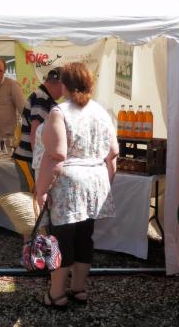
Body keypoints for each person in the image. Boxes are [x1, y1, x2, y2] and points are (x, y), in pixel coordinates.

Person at [34, 62, 119, 310]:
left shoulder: (60, 112)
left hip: (68, 184)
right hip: (96, 180)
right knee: (85, 237)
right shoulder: (101, 112)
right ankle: (79, 289)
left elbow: (57, 155)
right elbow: (113, 153)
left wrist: (41, 190)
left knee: (62, 239)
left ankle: (57, 294)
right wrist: (106, 183)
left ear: (64, 84)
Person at [13, 67, 64, 193]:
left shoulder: (44, 96)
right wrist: (40, 166)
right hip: (28, 159)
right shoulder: (42, 98)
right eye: (64, 87)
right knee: (30, 199)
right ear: (59, 83)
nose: (63, 93)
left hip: (31, 159)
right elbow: (35, 133)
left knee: (33, 199)